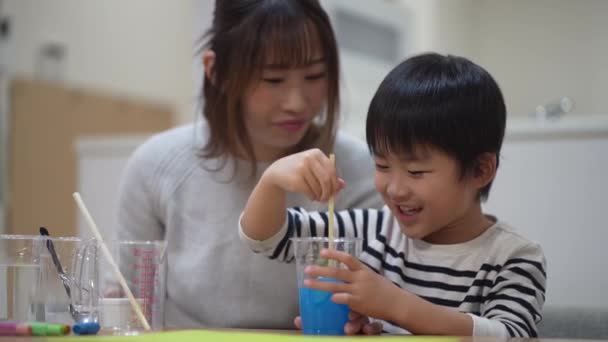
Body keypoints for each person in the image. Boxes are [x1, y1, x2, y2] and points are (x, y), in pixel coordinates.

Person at [115, 0, 383, 332]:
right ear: (216, 71)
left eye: (315, 75)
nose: (297, 102)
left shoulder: (360, 170)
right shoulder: (155, 165)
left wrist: (370, 322)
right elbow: (130, 303)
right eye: (273, 79)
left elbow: (382, 301)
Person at [239, 52, 547, 337]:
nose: (395, 188)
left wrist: (395, 306)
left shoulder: (512, 258)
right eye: (383, 165)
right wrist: (271, 182)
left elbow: (510, 336)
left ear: (480, 170)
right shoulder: (373, 230)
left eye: (416, 172)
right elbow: (268, 238)